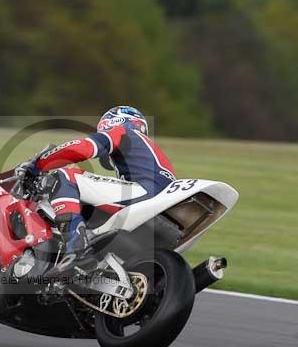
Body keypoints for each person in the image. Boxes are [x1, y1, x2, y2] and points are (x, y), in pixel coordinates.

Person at [15, 106, 177, 267]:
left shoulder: (121, 131)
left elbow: (83, 148)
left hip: (146, 194)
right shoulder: (149, 151)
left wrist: (39, 163)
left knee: (64, 176)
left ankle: (76, 245)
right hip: (167, 205)